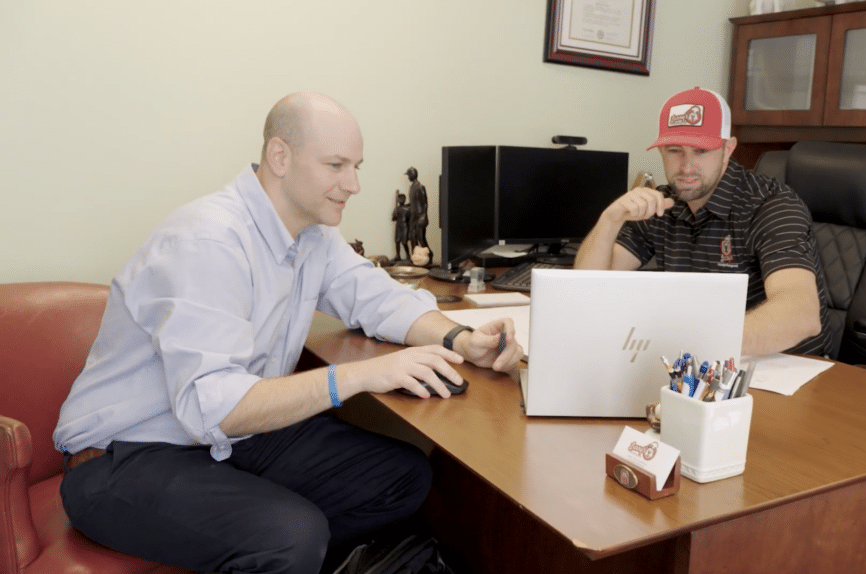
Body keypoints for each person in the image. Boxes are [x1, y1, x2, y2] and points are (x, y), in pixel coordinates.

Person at [53, 92, 524, 574]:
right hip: (125, 457)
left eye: (356, 165)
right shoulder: (207, 241)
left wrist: (461, 340)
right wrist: (360, 375)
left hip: (229, 437)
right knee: (291, 536)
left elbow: (378, 297)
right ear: (280, 156)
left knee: (403, 477)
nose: (355, 184)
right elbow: (214, 407)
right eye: (337, 165)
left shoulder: (311, 234)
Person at [575, 87, 832, 357]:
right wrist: (609, 220)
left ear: (727, 149)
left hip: (784, 368)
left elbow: (801, 315)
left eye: (701, 151)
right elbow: (587, 292)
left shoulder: (772, 206)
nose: (686, 167)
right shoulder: (663, 204)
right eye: (675, 150)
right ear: (661, 150)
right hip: (700, 366)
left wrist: (692, 347)